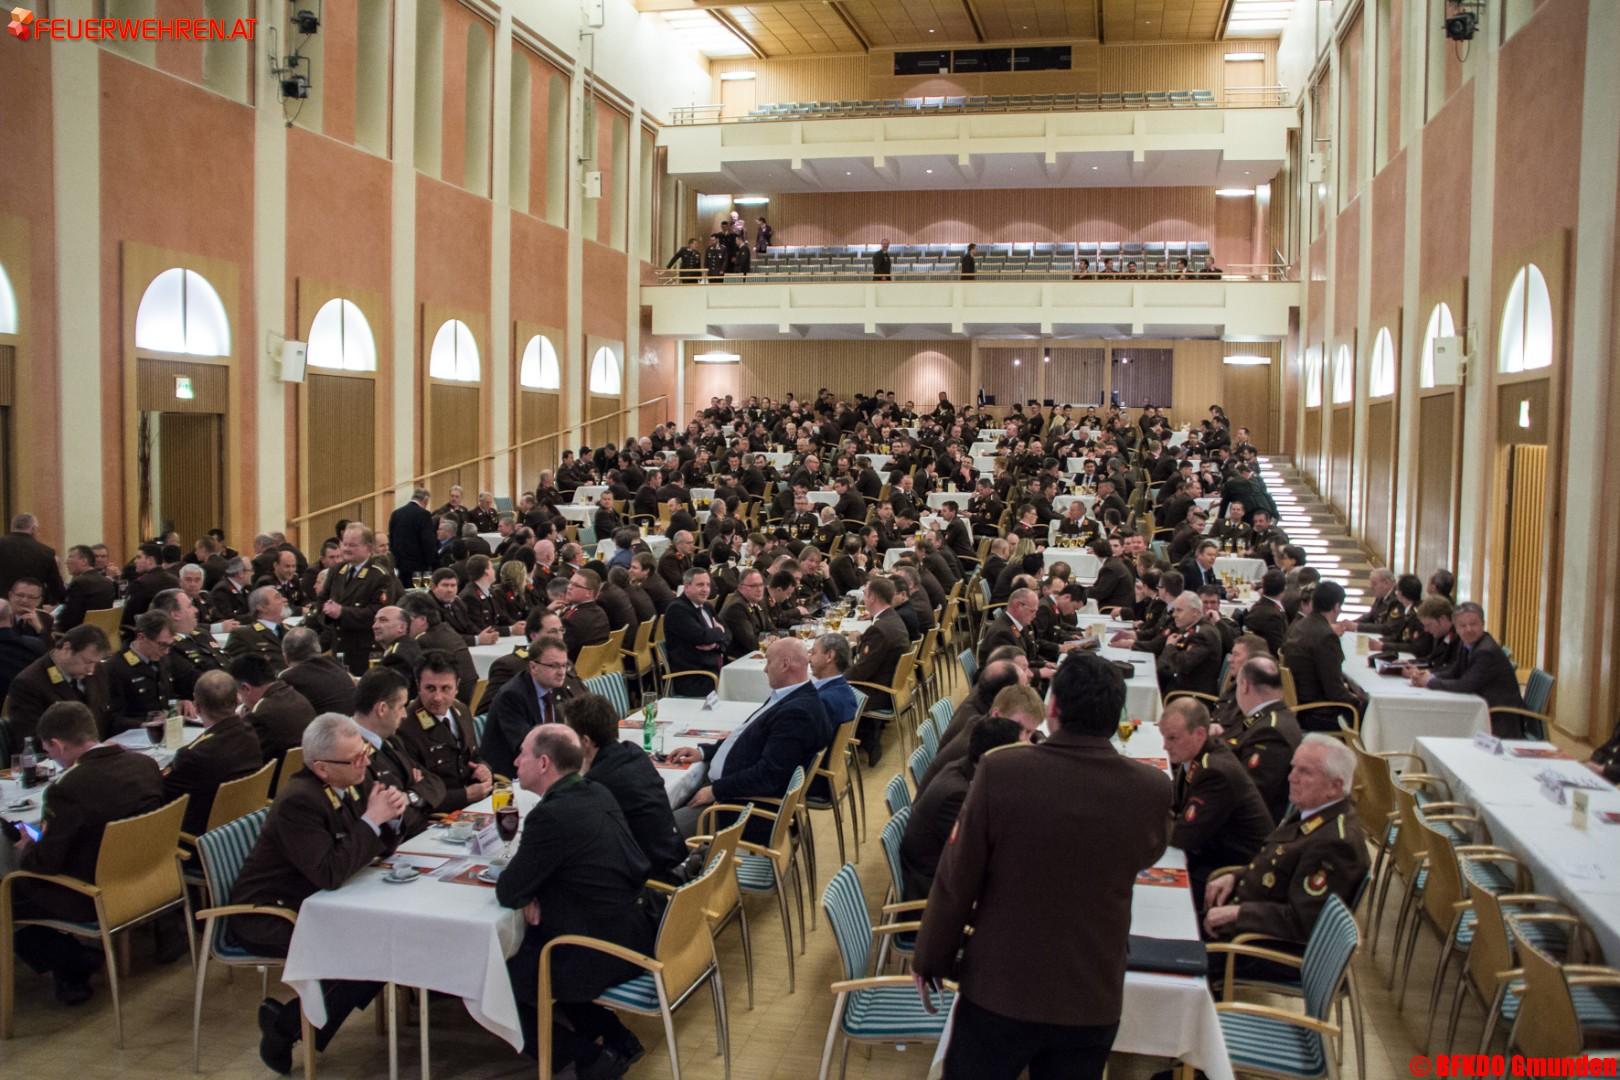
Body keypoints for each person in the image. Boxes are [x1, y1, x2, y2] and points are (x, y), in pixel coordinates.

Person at [913, 652, 1172, 1080]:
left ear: (1052, 709)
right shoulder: (1151, 788)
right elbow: (1148, 854)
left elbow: (958, 877)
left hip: (1002, 984)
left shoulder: (1002, 769)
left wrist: (931, 957)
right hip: (1091, 990)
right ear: (1116, 716)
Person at [233, 713, 408, 1072]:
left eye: (365, 754)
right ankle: (287, 1030)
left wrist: (389, 817)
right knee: (363, 951)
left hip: (321, 900)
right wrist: (372, 820)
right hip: (268, 912)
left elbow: (367, 846)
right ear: (322, 768)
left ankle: (292, 1023)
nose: (366, 763)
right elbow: (329, 871)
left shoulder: (351, 780)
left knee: (382, 940)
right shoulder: (299, 802)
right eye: (356, 759)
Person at [497, 724, 658, 1076]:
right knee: (535, 948)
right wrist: (535, 889)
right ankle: (616, 1037)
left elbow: (508, 890)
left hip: (597, 948)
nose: (514, 760)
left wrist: (530, 891)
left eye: (521, 753)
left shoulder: (549, 815)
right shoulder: (597, 791)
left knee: (494, 971)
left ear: (542, 764)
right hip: (634, 929)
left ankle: (584, 1057)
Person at [7, 702, 165, 1004]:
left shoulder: (70, 788)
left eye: (49, 752)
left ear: (57, 744)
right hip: (148, 876)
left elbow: (44, 864)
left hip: (97, 892)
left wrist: (28, 846)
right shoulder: (144, 765)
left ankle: (73, 963)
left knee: (10, 894)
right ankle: (74, 966)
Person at [1203, 734, 1370, 947]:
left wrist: (1240, 913)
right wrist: (1236, 877)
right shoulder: (1314, 812)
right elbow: (1277, 867)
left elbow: (1303, 921)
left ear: (1334, 787)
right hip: (1245, 922)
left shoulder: (1335, 844)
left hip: (1257, 947)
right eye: (1293, 768)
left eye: (1305, 772)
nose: (1292, 777)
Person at [668, 637, 833, 841]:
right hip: (732, 789)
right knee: (659, 805)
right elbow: (746, 737)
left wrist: (715, 791)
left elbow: (768, 776)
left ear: (784, 664)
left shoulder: (797, 713)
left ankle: (693, 868)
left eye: (768, 662)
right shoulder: (791, 697)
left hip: (743, 808)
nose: (765, 670)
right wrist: (704, 752)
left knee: (660, 831)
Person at [562, 692, 686, 878]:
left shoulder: (598, 782)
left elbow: (577, 836)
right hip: (674, 856)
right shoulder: (633, 752)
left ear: (585, 741)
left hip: (652, 880)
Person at [901, 713, 1024, 900]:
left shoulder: (964, 768)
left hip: (944, 874)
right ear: (997, 757)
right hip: (933, 892)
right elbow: (981, 856)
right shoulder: (956, 795)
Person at [1161, 698, 1273, 901]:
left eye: (1172, 738)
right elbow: (1177, 805)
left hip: (1231, 871)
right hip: (1211, 852)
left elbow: (1183, 836)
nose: (1165, 746)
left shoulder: (1215, 772)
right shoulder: (1199, 756)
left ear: (1200, 734)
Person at [162, 669, 264, 835]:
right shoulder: (249, 732)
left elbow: (165, 799)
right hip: (244, 822)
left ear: (197, 706)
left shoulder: (193, 754)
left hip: (205, 836)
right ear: (237, 699)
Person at [349, 667, 445, 838]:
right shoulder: (352, 753)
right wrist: (419, 794)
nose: (404, 715)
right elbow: (391, 817)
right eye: (401, 707)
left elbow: (435, 783)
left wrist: (409, 797)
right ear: (382, 709)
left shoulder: (391, 739)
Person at [394, 651, 492, 813]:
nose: (438, 697)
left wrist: (483, 768)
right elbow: (416, 794)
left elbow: (474, 755)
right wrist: (465, 796)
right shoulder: (406, 727)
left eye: (446, 688)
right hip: (441, 815)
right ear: (418, 686)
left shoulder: (461, 710)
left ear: (457, 687)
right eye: (430, 688)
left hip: (475, 806)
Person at [1409, 601, 1527, 731]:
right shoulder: (1466, 643)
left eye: (1473, 624)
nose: (1468, 629)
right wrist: (1429, 675)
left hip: (1499, 718)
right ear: (1456, 628)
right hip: (1481, 708)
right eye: (1463, 626)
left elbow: (1465, 685)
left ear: (1483, 624)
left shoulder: (1486, 651)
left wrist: (1430, 682)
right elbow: (1455, 671)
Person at [480, 635, 586, 779]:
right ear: (533, 667)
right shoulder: (512, 696)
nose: (561, 672)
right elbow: (526, 746)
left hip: (546, 766)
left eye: (564, 665)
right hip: (513, 775)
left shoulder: (556, 687)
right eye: (553, 666)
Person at [1222, 657, 1302, 823]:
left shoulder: (1272, 732)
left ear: (1244, 686)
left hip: (1242, 828)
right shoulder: (1265, 716)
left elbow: (1248, 793)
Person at [1280, 579, 1365, 730]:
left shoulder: (1301, 625)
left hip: (1301, 704)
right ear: (1337, 606)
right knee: (1366, 708)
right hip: (1317, 712)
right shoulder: (1325, 636)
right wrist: (1358, 700)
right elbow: (1335, 691)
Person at [316, 523, 398, 675]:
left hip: (365, 651)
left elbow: (379, 614)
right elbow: (321, 601)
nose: (346, 549)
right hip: (339, 648)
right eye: (344, 544)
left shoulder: (379, 575)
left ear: (368, 548)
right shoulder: (337, 571)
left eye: (353, 545)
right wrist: (326, 612)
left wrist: (343, 612)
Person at [843, 576, 910, 764]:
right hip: (889, 686)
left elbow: (860, 673)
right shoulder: (891, 619)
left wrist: (834, 676)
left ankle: (842, 751)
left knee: (827, 691)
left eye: (865, 593)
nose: (863, 597)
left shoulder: (880, 629)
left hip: (876, 693)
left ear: (872, 597)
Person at [231, 652, 317, 766]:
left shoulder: (260, 714)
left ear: (246, 688)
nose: (239, 700)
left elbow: (240, 757)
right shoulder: (295, 695)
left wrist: (240, 724)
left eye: (238, 693)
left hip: (280, 779)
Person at [661, 566, 729, 696]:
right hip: (695, 677)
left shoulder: (707, 606)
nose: (705, 590)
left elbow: (729, 633)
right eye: (700, 585)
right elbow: (702, 637)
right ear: (686, 587)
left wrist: (716, 644)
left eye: (708, 585)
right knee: (738, 690)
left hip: (714, 670)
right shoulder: (677, 609)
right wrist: (719, 631)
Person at [278, 626, 358, 715]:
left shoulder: (289, 679)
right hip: (351, 724)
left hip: (328, 727)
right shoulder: (333, 664)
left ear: (285, 657)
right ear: (318, 648)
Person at [0, 512, 66, 604]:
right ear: (33, 528)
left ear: (12, 527)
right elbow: (56, 587)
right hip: (30, 606)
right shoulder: (46, 552)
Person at [222, 585, 290, 666]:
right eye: (277, 597)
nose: (284, 600)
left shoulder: (291, 631)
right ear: (262, 607)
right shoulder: (243, 635)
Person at [57, 544, 117, 631]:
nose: (66, 562)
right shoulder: (108, 582)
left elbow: (69, 618)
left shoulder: (79, 583)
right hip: (101, 633)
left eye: (71, 557)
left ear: (84, 561)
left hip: (80, 635)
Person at [387, 487, 438, 584]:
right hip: (419, 569)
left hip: (400, 566)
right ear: (425, 500)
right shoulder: (424, 515)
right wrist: (432, 563)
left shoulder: (396, 514)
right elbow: (428, 542)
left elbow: (391, 539)